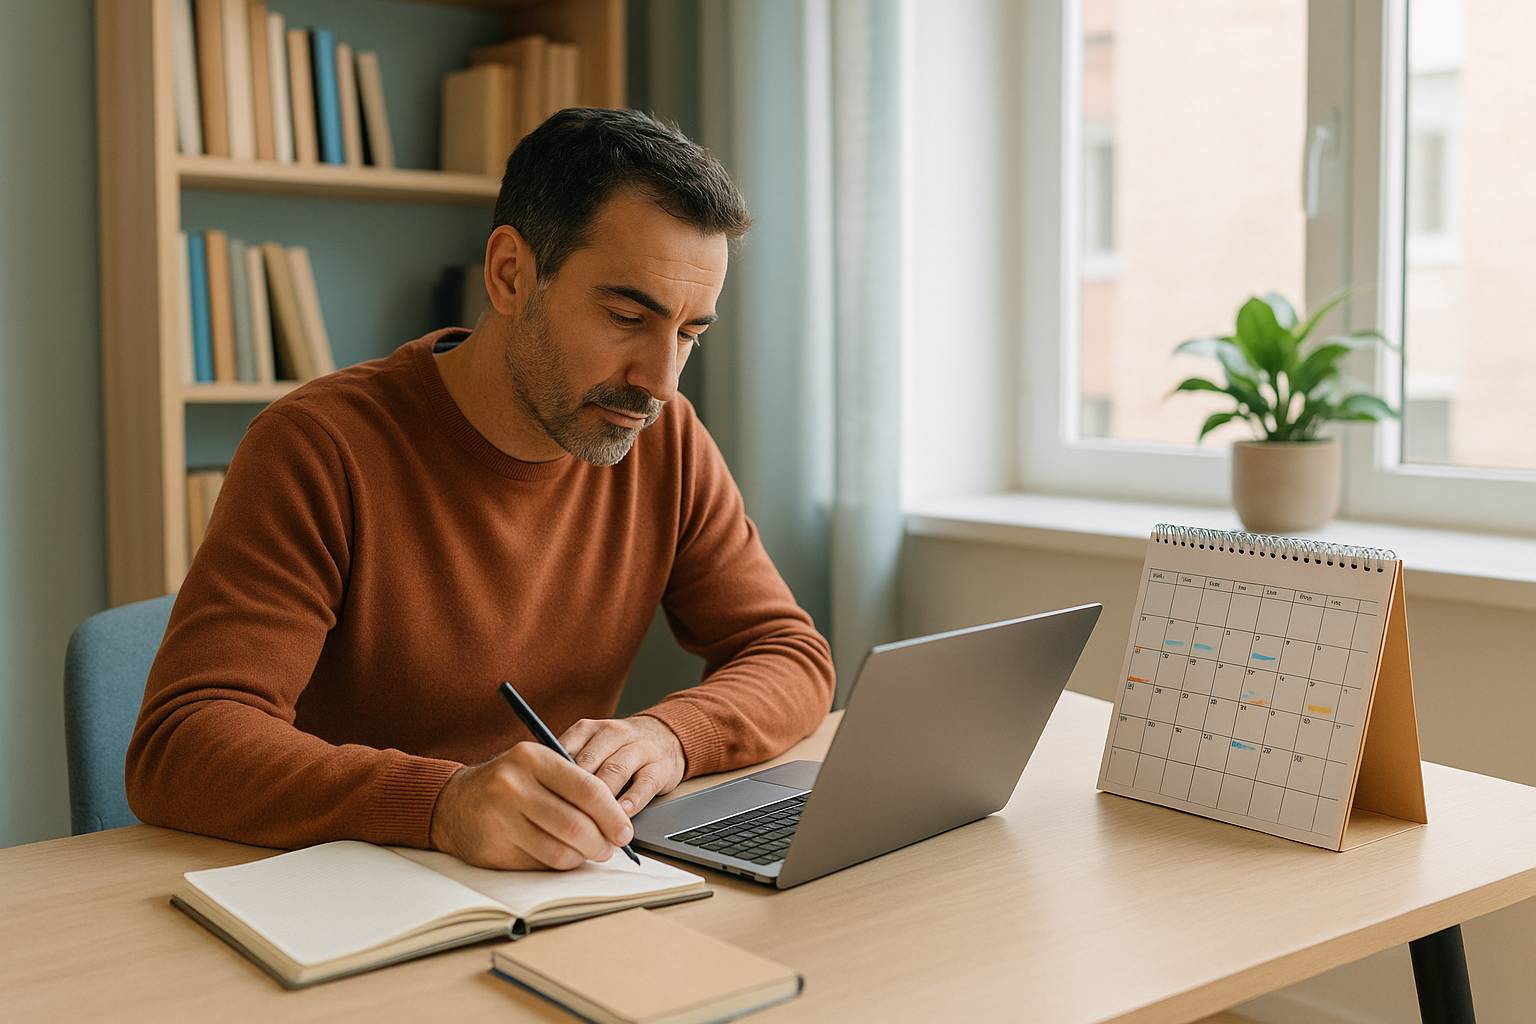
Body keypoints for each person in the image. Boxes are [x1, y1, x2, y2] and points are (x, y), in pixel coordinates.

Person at [126, 108, 835, 871]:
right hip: (354, 889)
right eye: (628, 316)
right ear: (509, 274)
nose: (660, 380)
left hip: (554, 881)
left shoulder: (666, 441)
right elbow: (183, 741)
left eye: (690, 334)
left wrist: (669, 737)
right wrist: (441, 803)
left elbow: (790, 653)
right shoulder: (319, 448)